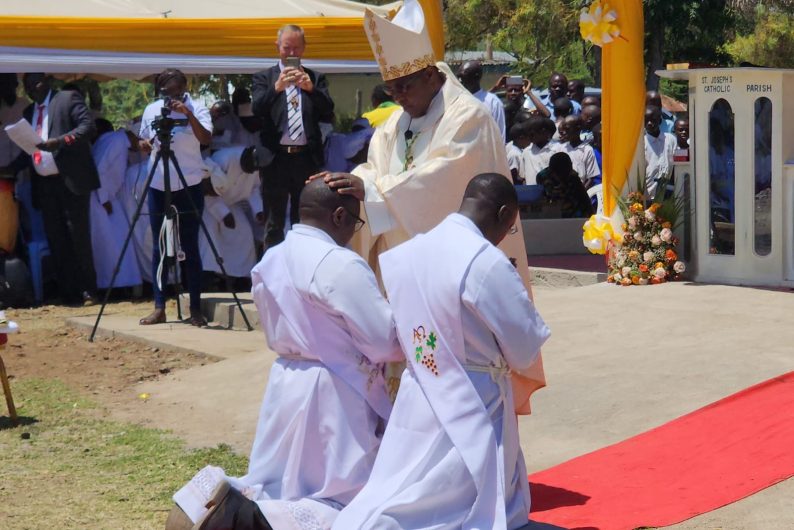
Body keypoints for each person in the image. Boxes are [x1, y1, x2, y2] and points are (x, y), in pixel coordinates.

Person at [316, 0, 547, 410]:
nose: (398, 97)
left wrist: (371, 191)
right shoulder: (391, 125)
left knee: (449, 384)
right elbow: (373, 170)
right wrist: (355, 185)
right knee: (405, 387)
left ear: (430, 75)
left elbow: (443, 182)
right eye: (391, 89)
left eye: (405, 86)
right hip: (400, 269)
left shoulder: (468, 118)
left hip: (448, 279)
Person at [167, 178, 402, 530]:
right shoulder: (340, 263)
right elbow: (384, 341)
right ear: (339, 216)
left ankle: (223, 511)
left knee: (280, 482)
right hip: (335, 391)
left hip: (286, 380)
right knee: (339, 495)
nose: (355, 231)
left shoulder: (272, 257)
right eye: (356, 222)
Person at [333, 173, 551, 530]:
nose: (503, 238)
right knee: (457, 495)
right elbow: (525, 346)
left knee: (406, 477)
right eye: (509, 228)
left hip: (419, 386)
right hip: (473, 396)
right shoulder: (486, 262)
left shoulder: (407, 253)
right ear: (503, 214)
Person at [137, 68, 213, 327]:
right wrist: (144, 145)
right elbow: (144, 140)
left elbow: (206, 138)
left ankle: (195, 308)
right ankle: (159, 306)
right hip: (159, 182)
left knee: (189, 246)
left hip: (189, 182)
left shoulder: (198, 106)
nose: (170, 98)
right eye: (165, 93)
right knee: (159, 247)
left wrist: (187, 114)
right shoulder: (151, 109)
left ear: (184, 88)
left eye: (175, 92)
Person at [252, 24, 335, 248]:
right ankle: (272, 275)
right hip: (275, 158)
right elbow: (257, 109)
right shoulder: (264, 77)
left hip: (305, 159)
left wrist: (311, 90)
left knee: (305, 222)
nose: (292, 54)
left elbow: (328, 110)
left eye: (297, 48)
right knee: (273, 223)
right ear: (277, 47)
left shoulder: (316, 78)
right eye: (287, 48)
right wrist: (276, 88)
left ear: (304, 48)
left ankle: (302, 269)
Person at [20, 73, 99, 305]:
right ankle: (68, 291)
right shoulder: (28, 113)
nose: (32, 88)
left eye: (35, 82)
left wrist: (61, 141)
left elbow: (88, 127)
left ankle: (88, 290)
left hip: (71, 180)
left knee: (78, 236)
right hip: (45, 184)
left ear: (48, 81)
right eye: (27, 86)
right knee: (56, 238)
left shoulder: (67, 98)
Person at [89, 119, 142, 290]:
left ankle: (122, 283)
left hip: (106, 197)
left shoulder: (114, 139)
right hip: (101, 198)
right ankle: (115, 285)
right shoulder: (117, 143)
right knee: (112, 243)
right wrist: (104, 198)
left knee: (118, 240)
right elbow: (100, 169)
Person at [199, 146, 264, 280]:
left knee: (244, 232)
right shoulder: (224, 158)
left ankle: (241, 275)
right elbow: (208, 189)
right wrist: (223, 214)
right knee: (210, 232)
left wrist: (258, 210)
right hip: (211, 205)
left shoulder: (255, 166)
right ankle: (209, 274)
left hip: (233, 203)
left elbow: (253, 189)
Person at [0, 73, 27, 254]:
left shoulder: (25, 107)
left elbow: (33, 144)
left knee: (26, 227)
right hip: (3, 185)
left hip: (25, 178)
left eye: (9, 83)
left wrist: (14, 167)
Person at [458, 60, 506, 141]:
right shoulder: (456, 100)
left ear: (476, 77)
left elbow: (500, 135)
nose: (460, 81)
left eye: (463, 77)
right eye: (458, 77)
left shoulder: (493, 102)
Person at [537, 152, 593, 218]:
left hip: (573, 215)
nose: (566, 175)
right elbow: (543, 199)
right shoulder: (542, 177)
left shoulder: (573, 177)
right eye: (562, 173)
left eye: (568, 171)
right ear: (552, 171)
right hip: (551, 214)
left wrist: (590, 216)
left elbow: (584, 198)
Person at [643, 105, 677, 199]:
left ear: (660, 120)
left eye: (653, 119)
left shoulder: (670, 140)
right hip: (648, 197)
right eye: (646, 120)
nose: (649, 123)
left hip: (669, 196)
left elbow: (676, 166)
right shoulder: (642, 143)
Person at [558, 115, 600, 188]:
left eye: (567, 129)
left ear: (578, 128)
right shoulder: (561, 148)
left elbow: (590, 178)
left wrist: (580, 193)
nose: (564, 132)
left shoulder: (587, 150)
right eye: (563, 129)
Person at [522, 115, 559, 185]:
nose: (529, 137)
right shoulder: (526, 152)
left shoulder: (558, 149)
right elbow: (524, 177)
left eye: (532, 134)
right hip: (532, 193)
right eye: (527, 135)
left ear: (543, 131)